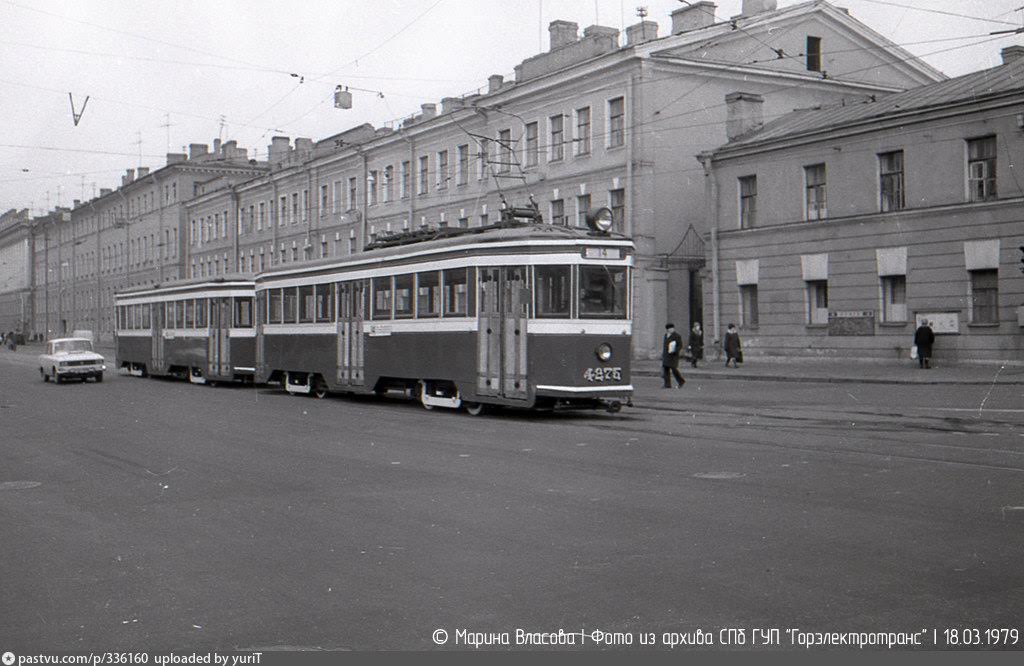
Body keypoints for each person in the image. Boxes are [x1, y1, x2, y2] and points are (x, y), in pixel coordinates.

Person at [661, 323, 685, 388]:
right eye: (670, 328)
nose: (671, 329)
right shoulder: (665, 335)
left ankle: (681, 381)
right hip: (666, 355)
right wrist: (663, 354)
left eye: (672, 328)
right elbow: (664, 345)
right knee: (666, 370)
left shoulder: (677, 336)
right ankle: (667, 384)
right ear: (667, 329)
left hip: (673, 356)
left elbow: (680, 345)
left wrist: (675, 350)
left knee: (674, 369)